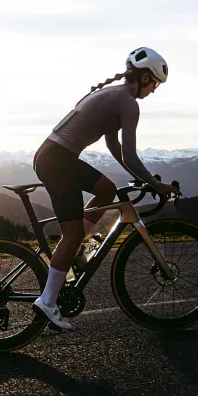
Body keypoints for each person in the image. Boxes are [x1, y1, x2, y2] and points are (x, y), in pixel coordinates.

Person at [31, 47, 180, 330]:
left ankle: (76, 249)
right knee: (72, 234)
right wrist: (155, 184)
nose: (154, 90)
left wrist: (138, 176)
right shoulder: (128, 103)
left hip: (53, 155)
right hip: (59, 160)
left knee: (106, 190)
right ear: (145, 77)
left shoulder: (115, 95)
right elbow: (130, 156)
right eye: (155, 84)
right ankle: (48, 301)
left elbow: (115, 146)